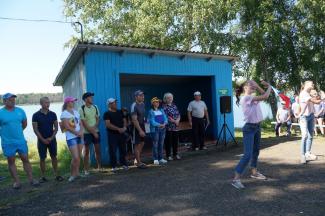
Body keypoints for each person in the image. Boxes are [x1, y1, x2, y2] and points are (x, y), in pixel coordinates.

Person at [232, 80, 272, 189]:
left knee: (256, 151)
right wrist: (270, 86)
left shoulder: (252, 97)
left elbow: (264, 93)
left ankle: (254, 172)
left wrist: (258, 85)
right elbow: (265, 96)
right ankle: (236, 179)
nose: (253, 86)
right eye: (251, 85)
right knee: (247, 155)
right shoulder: (246, 98)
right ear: (245, 88)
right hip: (249, 128)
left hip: (257, 127)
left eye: (253, 85)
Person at [0, 93, 39, 189]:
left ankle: (31, 179)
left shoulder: (20, 111)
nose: (13, 101)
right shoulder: (1, 113)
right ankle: (17, 182)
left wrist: (17, 132)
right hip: (7, 142)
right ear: (4, 101)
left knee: (25, 159)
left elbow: (24, 124)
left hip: (20, 140)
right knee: (11, 161)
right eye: (10, 100)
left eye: (13, 100)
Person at [32, 97, 63, 182]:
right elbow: (35, 129)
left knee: (54, 156)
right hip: (41, 140)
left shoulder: (53, 114)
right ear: (41, 104)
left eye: (49, 102)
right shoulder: (35, 115)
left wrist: (51, 138)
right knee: (42, 158)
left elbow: (56, 128)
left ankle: (57, 175)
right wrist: (42, 139)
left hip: (52, 139)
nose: (48, 104)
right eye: (46, 102)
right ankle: (43, 176)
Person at [298, 81, 323, 164]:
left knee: (310, 136)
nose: (313, 84)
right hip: (304, 117)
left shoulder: (309, 93)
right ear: (306, 85)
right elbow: (316, 101)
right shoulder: (303, 94)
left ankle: (307, 153)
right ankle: (302, 156)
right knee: (304, 135)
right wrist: (323, 98)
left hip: (311, 116)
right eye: (311, 83)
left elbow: (316, 99)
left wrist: (320, 98)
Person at [60, 96, 84, 182]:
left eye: (74, 101)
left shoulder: (76, 112)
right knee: (75, 157)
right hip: (71, 138)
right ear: (67, 103)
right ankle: (72, 175)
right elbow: (66, 126)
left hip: (80, 136)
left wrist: (81, 132)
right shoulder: (64, 113)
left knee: (79, 156)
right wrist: (77, 133)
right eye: (72, 101)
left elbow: (80, 123)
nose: (73, 103)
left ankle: (77, 174)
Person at [79, 92, 102, 175]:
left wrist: (95, 128)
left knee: (98, 150)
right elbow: (84, 123)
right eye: (90, 97)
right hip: (86, 133)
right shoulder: (81, 109)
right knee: (86, 151)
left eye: (92, 97)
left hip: (96, 131)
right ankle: (86, 170)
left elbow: (98, 119)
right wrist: (93, 132)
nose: (92, 99)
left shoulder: (95, 107)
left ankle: (99, 167)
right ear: (85, 99)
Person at [103, 98, 129, 172]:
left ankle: (124, 164)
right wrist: (118, 129)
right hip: (112, 135)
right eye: (113, 103)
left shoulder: (120, 112)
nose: (115, 104)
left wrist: (124, 127)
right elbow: (108, 124)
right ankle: (113, 166)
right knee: (113, 151)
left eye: (115, 102)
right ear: (109, 104)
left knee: (123, 150)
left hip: (121, 134)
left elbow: (125, 120)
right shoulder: (106, 113)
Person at [148, 97, 168, 165]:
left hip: (162, 129)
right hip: (155, 130)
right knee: (155, 144)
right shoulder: (151, 111)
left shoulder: (161, 110)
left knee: (161, 144)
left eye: (158, 102)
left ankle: (161, 158)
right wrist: (160, 125)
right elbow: (152, 121)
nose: (157, 103)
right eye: (156, 102)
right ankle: (155, 159)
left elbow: (165, 118)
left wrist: (164, 123)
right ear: (153, 103)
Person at [130, 90, 147, 169]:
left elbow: (142, 116)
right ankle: (138, 163)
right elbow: (134, 119)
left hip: (142, 125)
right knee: (137, 144)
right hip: (136, 127)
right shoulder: (134, 105)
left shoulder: (143, 104)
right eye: (140, 95)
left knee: (142, 143)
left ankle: (137, 160)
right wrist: (140, 130)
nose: (143, 97)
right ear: (136, 97)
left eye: (143, 95)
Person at [162, 92, 181, 160]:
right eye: (168, 98)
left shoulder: (174, 105)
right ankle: (168, 155)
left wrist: (178, 120)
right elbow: (166, 116)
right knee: (168, 142)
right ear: (165, 99)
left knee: (175, 141)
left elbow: (178, 114)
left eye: (171, 97)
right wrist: (174, 121)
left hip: (175, 127)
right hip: (168, 127)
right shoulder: (164, 107)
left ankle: (175, 154)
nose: (170, 99)